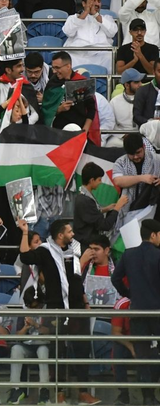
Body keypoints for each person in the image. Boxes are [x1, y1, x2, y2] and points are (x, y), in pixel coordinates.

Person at [17, 219, 99, 405]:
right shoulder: (46, 251)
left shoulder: (75, 248)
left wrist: (85, 301)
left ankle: (83, 392)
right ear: (60, 235)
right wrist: (24, 232)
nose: (73, 235)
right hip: (57, 308)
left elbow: (76, 280)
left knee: (82, 349)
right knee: (59, 351)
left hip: (78, 307)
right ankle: (59, 392)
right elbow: (24, 257)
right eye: (69, 232)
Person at [112, 217, 160, 404]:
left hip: (137, 312)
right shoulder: (158, 255)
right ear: (154, 235)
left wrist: (130, 294)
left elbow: (116, 279)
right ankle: (152, 395)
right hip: (157, 312)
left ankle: (146, 396)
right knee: (156, 354)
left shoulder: (129, 255)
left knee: (142, 354)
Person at [73, 163, 128, 248]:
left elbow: (90, 213)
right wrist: (117, 207)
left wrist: (106, 209)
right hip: (86, 246)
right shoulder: (85, 200)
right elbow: (104, 225)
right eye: (99, 180)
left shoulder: (83, 196)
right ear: (91, 180)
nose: (101, 182)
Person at [62, 0, 117, 72]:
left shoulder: (107, 18)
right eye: (93, 1)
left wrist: (96, 15)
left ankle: (106, 84)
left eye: (98, 1)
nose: (96, 4)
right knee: (68, 57)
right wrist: (85, 13)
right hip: (78, 54)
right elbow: (68, 31)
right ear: (84, 4)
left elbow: (112, 32)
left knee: (109, 56)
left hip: (100, 54)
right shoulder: (73, 18)